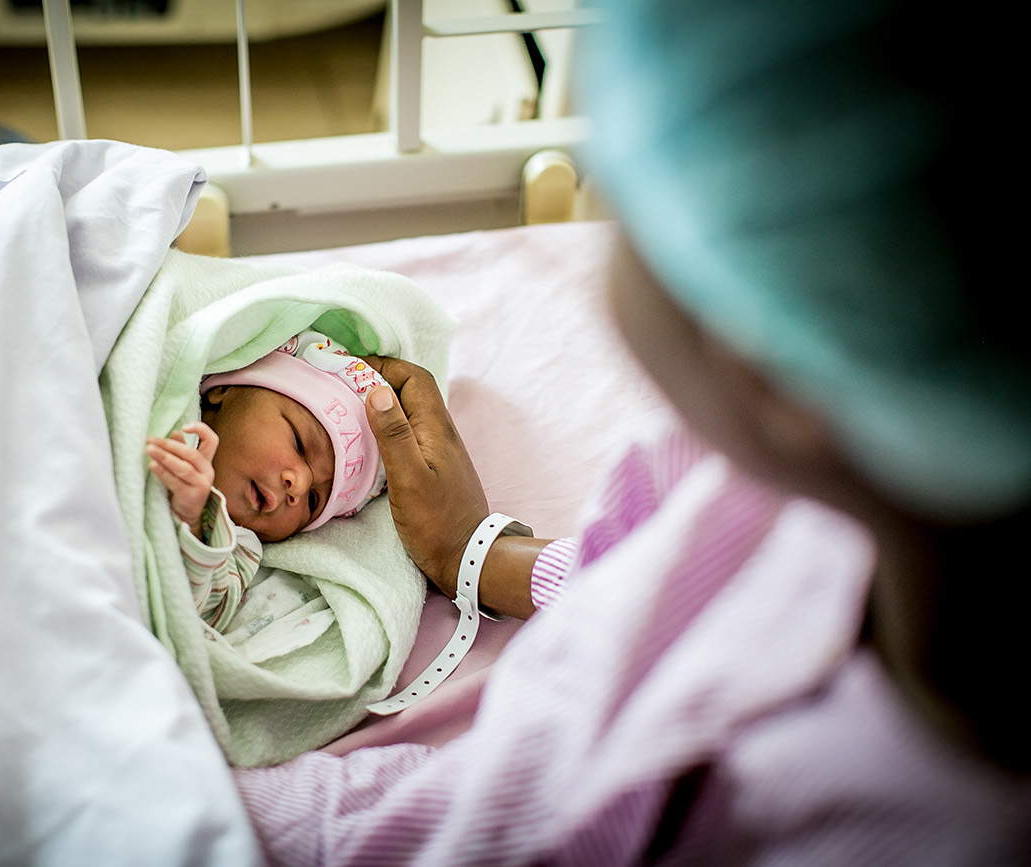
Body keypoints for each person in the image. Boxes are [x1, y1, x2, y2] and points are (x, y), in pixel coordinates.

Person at [229, 0, 1031, 863]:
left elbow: (445, 823)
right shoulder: (812, 487)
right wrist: (482, 554)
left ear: (764, 358)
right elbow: (656, 574)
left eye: (626, 204)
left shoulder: (776, 810)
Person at [144, 330, 389, 630]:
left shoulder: (240, 545)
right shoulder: (158, 384)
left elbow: (201, 612)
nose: (298, 486)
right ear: (224, 390)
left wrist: (192, 519)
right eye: (299, 444)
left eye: (314, 501)